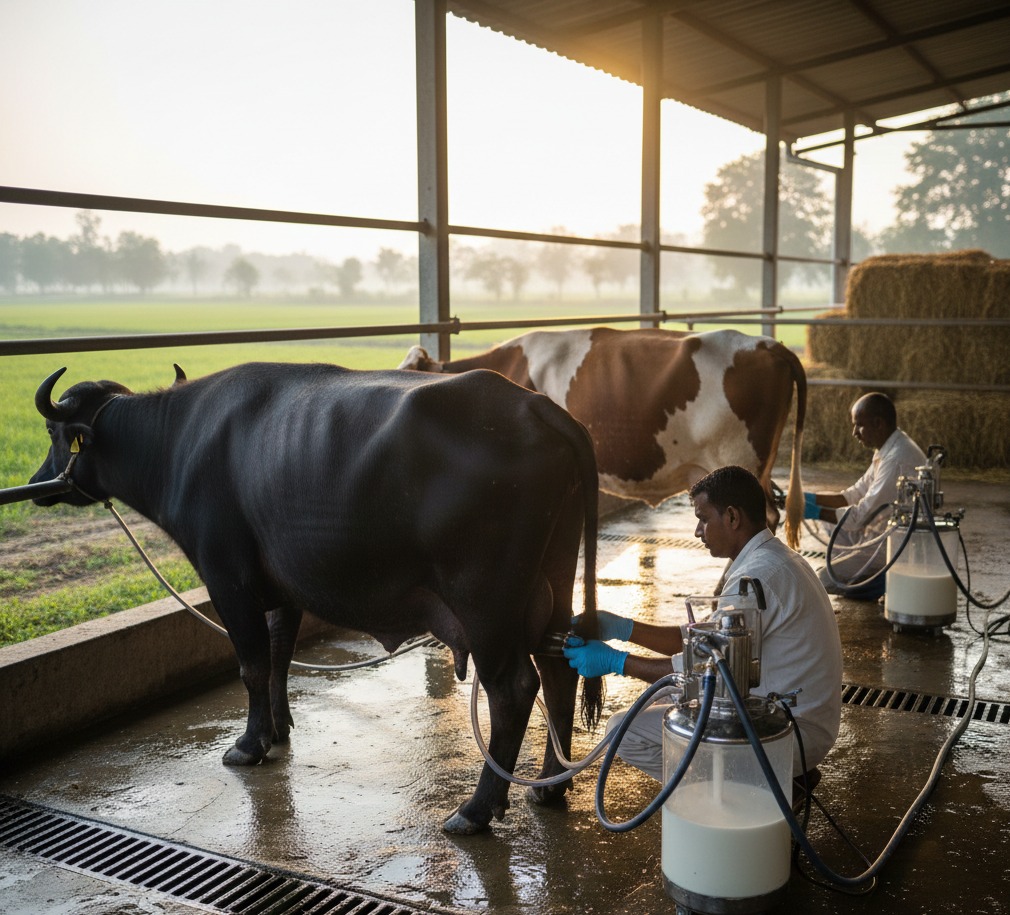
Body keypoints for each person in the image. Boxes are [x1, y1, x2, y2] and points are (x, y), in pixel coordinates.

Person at [563, 465, 842, 786]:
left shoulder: (752, 580)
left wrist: (617, 662)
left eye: (704, 518)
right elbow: (703, 641)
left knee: (621, 732)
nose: (697, 531)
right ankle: (777, 781)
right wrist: (623, 628)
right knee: (666, 700)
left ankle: (734, 795)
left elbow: (704, 672)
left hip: (788, 733)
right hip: (799, 721)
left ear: (733, 518)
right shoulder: (773, 559)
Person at [804, 392, 926, 600]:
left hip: (893, 546)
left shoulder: (897, 460)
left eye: (859, 425)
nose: (854, 433)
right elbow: (854, 494)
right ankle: (857, 573)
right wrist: (805, 498)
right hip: (879, 533)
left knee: (824, 579)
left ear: (878, 423)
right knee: (830, 524)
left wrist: (811, 511)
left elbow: (859, 516)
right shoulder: (888, 448)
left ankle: (876, 582)